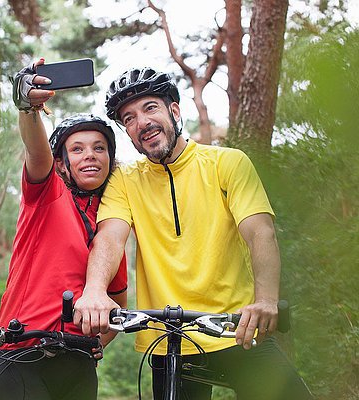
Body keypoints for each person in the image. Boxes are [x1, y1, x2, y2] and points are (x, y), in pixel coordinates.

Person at [73, 67, 313, 399]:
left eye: (150, 108)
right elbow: (111, 238)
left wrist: (266, 300)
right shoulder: (125, 180)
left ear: (174, 110)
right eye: (128, 118)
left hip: (236, 329)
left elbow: (260, 232)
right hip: (168, 339)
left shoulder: (227, 163)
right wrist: (95, 291)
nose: (141, 122)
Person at [0, 59, 128, 400]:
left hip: (76, 361)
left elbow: (118, 302)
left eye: (99, 148)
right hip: (18, 353)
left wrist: (98, 342)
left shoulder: (111, 226)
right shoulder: (48, 194)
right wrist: (28, 107)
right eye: (77, 149)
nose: (90, 156)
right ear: (62, 163)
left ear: (110, 159)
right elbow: (36, 151)